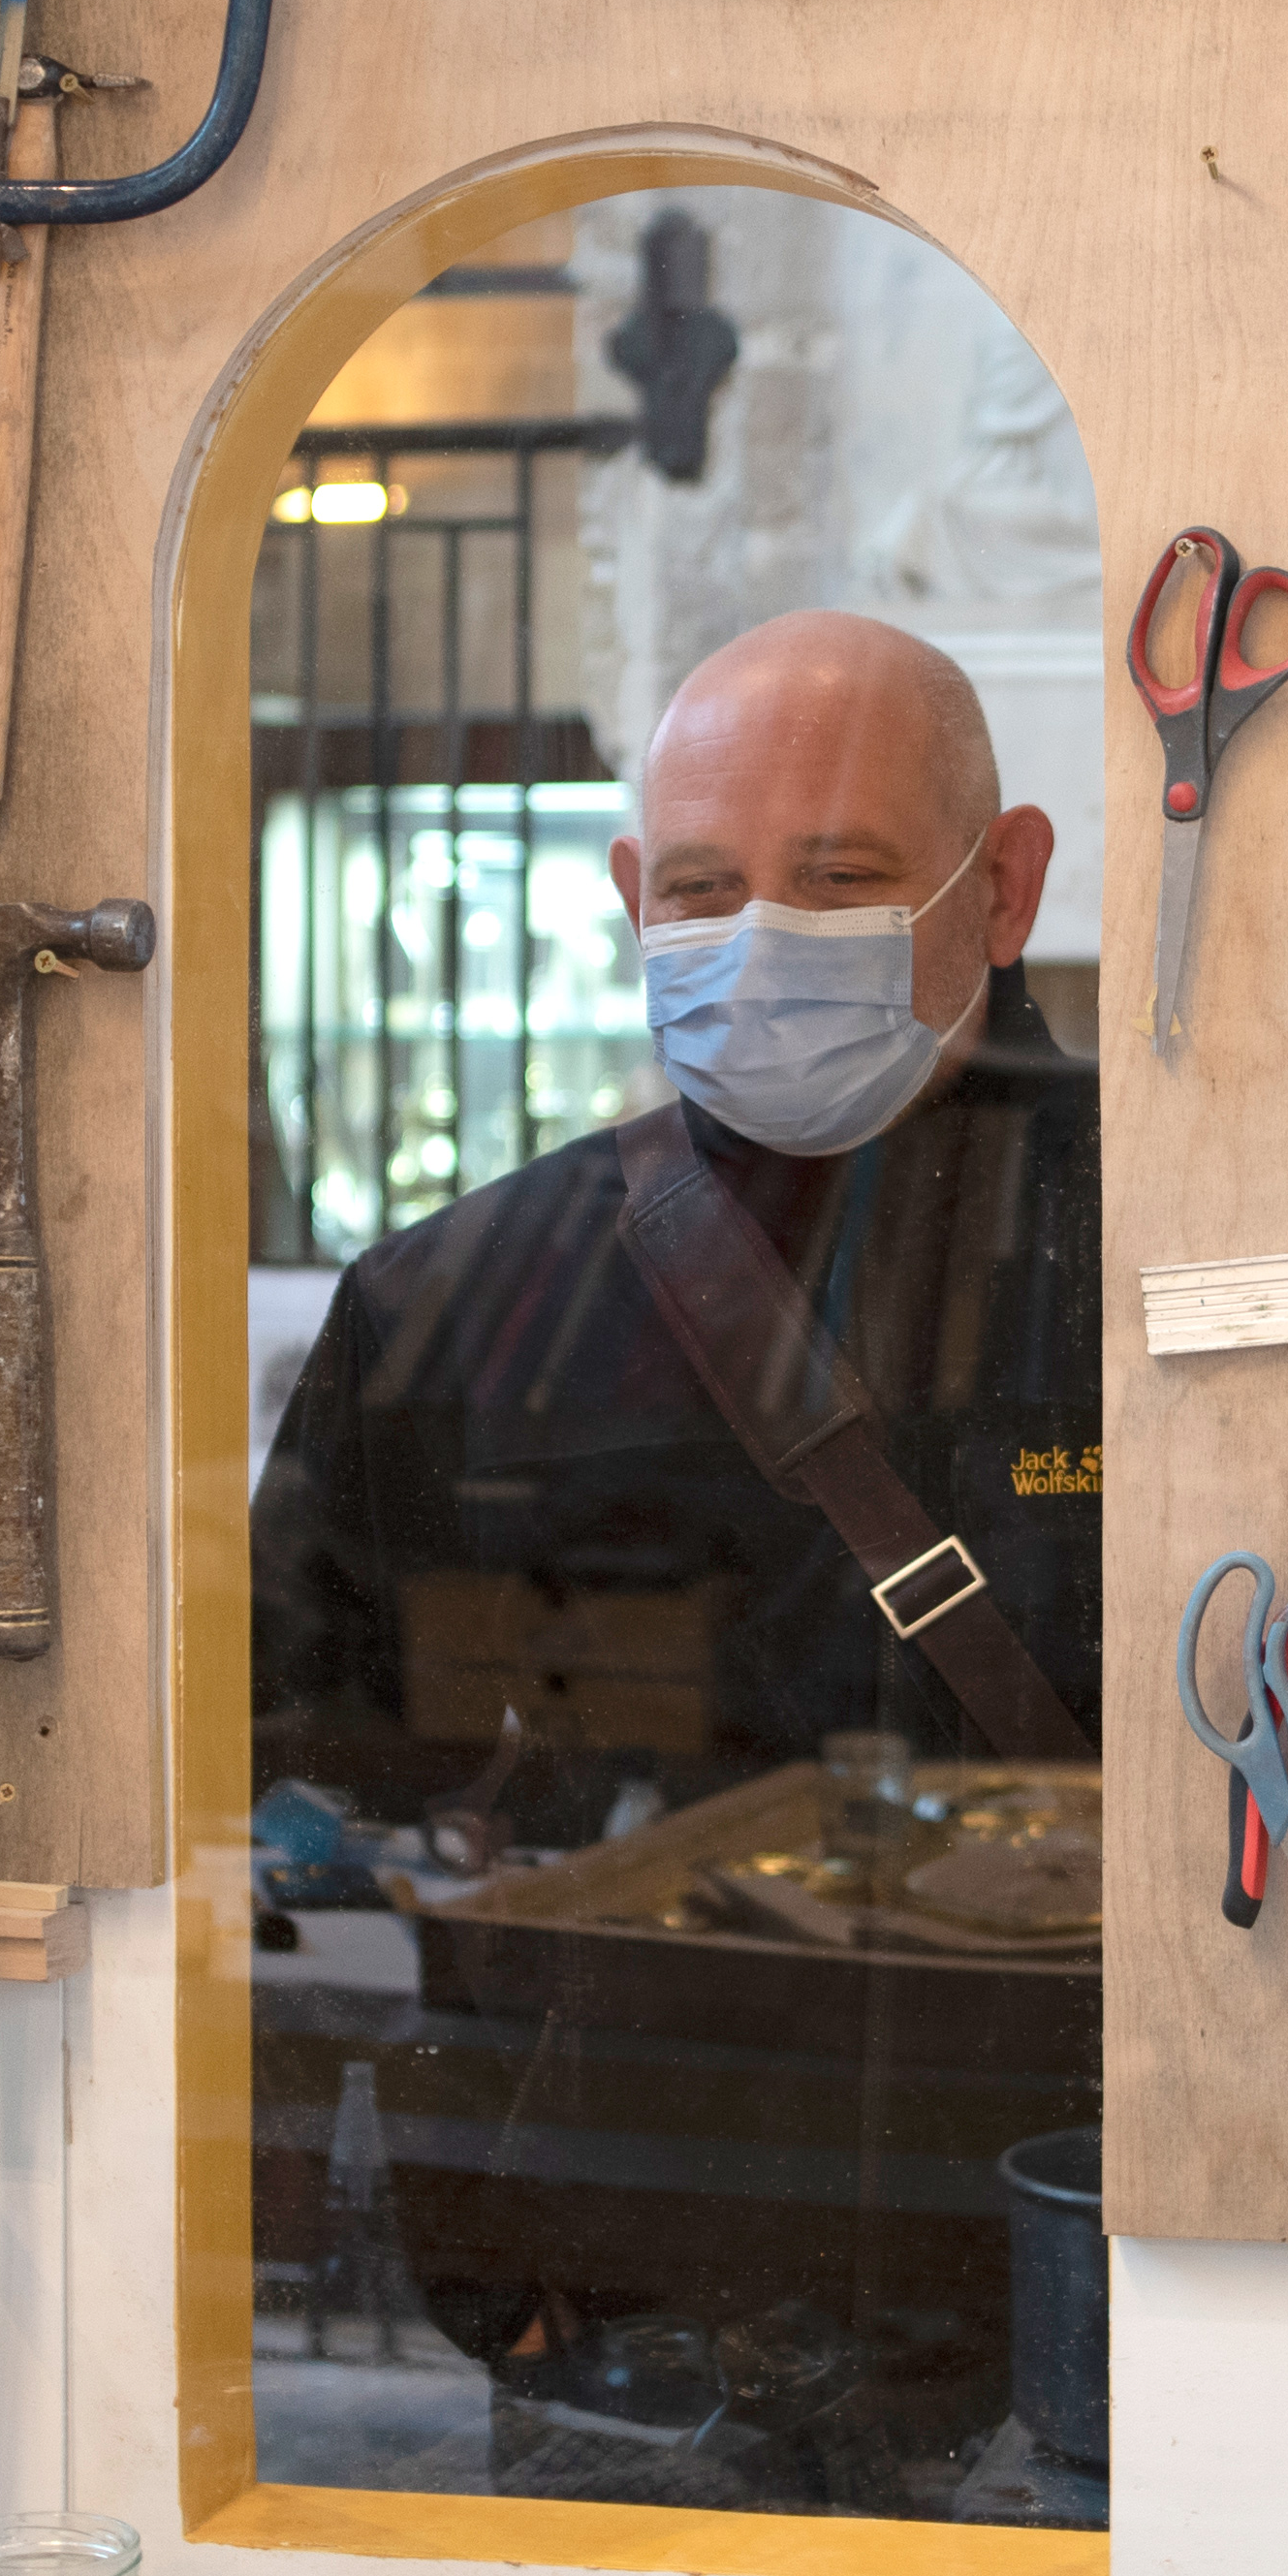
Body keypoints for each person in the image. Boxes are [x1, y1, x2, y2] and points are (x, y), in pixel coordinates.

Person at [250, 609, 1102, 1824]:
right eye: (702, 886)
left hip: (1073, 2003)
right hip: (646, 1996)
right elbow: (309, 1753)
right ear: (636, 899)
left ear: (1003, 885)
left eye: (840, 877)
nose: (760, 942)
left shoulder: (1175, 1252)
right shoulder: (451, 1293)